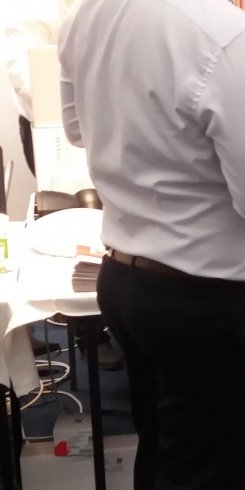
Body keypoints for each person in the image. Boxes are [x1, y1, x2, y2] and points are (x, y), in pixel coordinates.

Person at [58, 0, 245, 490]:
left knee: (166, 459)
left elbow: (78, 130)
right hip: (209, 303)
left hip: (128, 282)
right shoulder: (229, 36)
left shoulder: (88, 14)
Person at [4, 0, 123, 370]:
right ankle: (90, 335)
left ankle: (123, 317)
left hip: (110, 117)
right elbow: (25, 74)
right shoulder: (32, 8)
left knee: (119, 217)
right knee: (76, 226)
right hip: (52, 124)